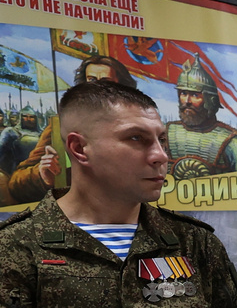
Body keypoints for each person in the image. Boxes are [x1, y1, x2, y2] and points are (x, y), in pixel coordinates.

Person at [0, 81, 237, 308]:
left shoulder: (194, 243)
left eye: (162, 140)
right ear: (80, 148)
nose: (161, 156)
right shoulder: (17, 247)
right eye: (137, 139)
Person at [3, 56, 137, 206]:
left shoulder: (139, 124)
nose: (98, 86)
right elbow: (17, 184)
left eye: (106, 81)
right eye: (91, 80)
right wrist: (42, 175)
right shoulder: (64, 123)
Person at [166, 57, 237, 178]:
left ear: (211, 100)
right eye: (183, 93)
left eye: (195, 95)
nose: (187, 101)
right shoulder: (163, 134)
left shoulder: (236, 143)